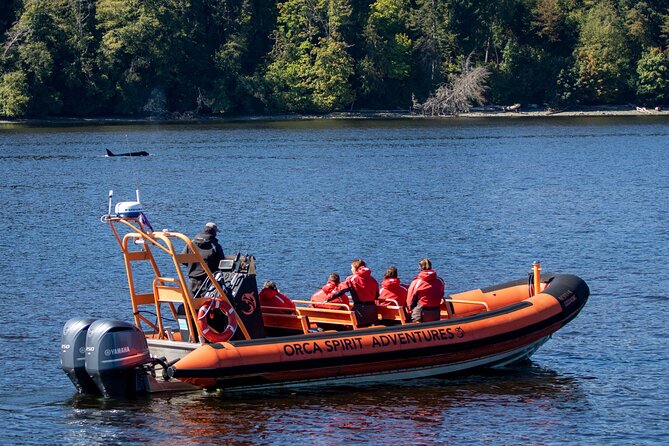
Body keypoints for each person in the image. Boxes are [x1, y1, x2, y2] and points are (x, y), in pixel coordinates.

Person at [329, 259, 379, 327]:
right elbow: (376, 296)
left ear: (356, 269)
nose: (351, 269)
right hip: (372, 310)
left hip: (360, 310)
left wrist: (328, 298)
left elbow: (341, 290)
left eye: (352, 268)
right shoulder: (373, 279)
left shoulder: (351, 279)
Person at [182, 222, 225, 296]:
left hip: (192, 281)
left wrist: (193, 266)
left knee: (191, 305)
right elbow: (221, 264)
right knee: (206, 304)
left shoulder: (191, 243)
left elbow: (183, 260)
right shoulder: (215, 246)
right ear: (214, 232)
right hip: (207, 282)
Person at [406, 258, 445, 322]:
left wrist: (409, 309)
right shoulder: (440, 281)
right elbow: (441, 294)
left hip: (419, 316)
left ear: (420, 268)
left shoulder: (417, 282)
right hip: (435, 314)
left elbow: (410, 302)